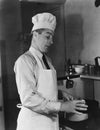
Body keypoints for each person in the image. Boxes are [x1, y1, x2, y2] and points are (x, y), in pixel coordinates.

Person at [14, 12, 88, 130]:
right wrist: (62, 106)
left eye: (52, 37)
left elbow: (42, 87)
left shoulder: (47, 60)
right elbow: (29, 98)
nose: (51, 41)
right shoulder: (24, 61)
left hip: (50, 122)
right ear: (35, 35)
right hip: (33, 124)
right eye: (47, 37)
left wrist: (59, 93)